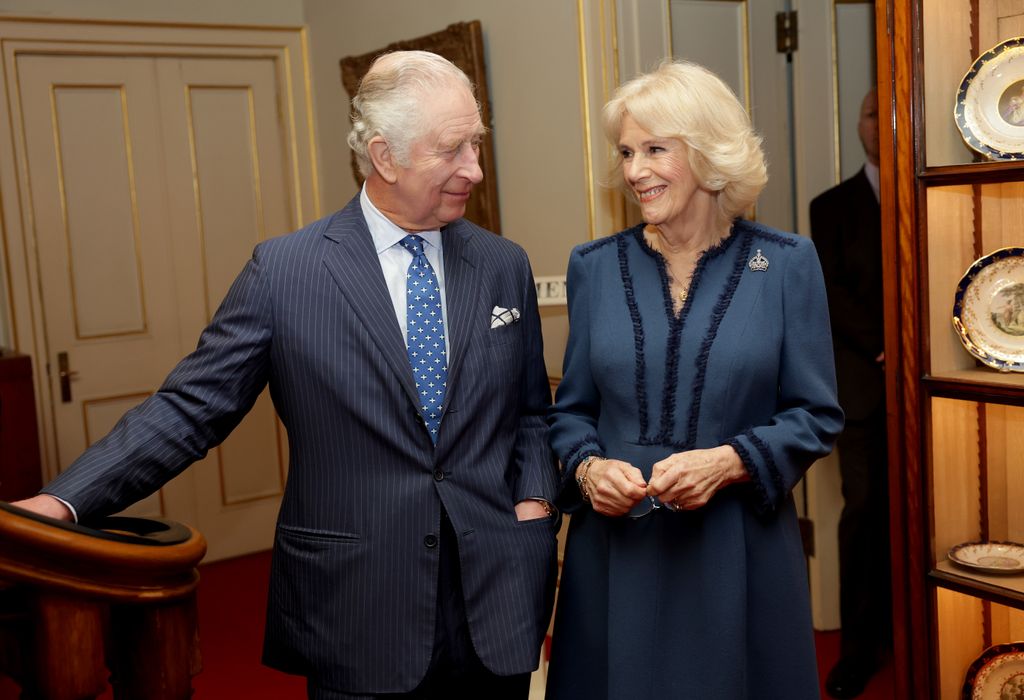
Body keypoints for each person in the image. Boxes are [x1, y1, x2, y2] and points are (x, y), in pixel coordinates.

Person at [13, 50, 559, 700]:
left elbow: (530, 411)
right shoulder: (285, 272)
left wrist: (534, 504)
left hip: (493, 594)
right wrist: (61, 503)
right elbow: (190, 409)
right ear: (384, 156)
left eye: (477, 143)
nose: (474, 168)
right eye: (453, 150)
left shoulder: (502, 264)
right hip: (357, 601)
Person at [545, 60, 844, 699]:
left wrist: (732, 460)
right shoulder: (594, 269)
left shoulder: (787, 264)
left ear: (711, 154)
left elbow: (816, 414)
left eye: (656, 149)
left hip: (738, 552)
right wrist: (590, 470)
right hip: (617, 553)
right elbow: (569, 412)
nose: (633, 170)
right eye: (626, 152)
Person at [810, 86, 891, 699]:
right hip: (862, 389)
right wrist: (889, 347)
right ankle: (860, 649)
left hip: (937, 391)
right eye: (870, 111)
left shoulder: (936, 192)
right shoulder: (830, 206)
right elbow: (832, 294)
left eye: (892, 110)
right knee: (863, 517)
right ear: (859, 125)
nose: (881, 122)